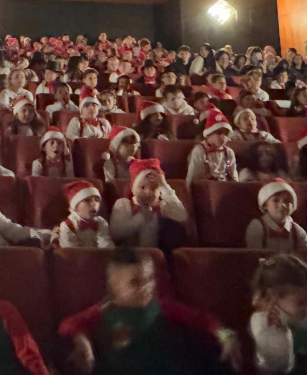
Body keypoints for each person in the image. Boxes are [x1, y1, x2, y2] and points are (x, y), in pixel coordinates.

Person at [58, 248, 238, 375]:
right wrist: (82, 340)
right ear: (114, 285)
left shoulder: (161, 306)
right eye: (135, 282)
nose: (146, 287)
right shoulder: (105, 310)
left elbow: (202, 320)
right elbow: (68, 324)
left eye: (149, 279)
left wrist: (225, 336)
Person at [249, 253, 307, 374]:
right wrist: (276, 328)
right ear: (273, 298)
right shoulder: (261, 321)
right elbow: (277, 364)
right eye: (301, 302)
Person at [110, 158, 188, 250]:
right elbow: (116, 233)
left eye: (154, 188)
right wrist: (141, 217)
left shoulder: (161, 206)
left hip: (157, 255)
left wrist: (164, 186)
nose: (148, 192)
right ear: (133, 188)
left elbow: (181, 215)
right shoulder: (124, 204)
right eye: (142, 187)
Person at [245, 178, 307, 250]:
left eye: (287, 201)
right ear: (265, 205)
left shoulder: (297, 230)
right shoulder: (257, 226)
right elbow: (254, 255)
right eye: (276, 200)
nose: (282, 205)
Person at [53, 181, 114, 248]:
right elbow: (70, 251)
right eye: (87, 200)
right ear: (75, 207)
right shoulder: (68, 225)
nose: (94, 204)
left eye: (97, 200)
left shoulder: (101, 222)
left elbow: (106, 245)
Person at [186, 109, 238, 184]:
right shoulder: (200, 150)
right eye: (219, 133)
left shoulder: (228, 152)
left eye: (226, 134)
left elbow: (234, 177)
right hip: (206, 187)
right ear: (208, 134)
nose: (223, 137)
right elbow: (192, 178)